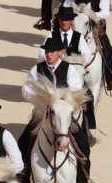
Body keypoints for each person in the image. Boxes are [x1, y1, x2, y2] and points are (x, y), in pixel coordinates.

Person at [18, 38, 100, 183]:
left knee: (82, 142)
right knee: (22, 141)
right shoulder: (36, 69)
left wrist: (60, 97)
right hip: (41, 113)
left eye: (52, 52)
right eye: (47, 51)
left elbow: (76, 89)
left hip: (63, 114)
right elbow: (26, 89)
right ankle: (24, 176)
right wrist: (39, 96)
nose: (48, 54)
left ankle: (84, 181)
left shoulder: (69, 69)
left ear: (60, 53)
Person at [39, 6, 97, 140]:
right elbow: (41, 55)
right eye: (61, 20)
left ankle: (91, 129)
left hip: (75, 76)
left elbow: (87, 55)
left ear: (71, 20)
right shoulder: (51, 35)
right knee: (41, 105)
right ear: (58, 21)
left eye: (66, 19)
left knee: (88, 98)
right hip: (56, 78)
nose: (63, 22)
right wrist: (58, 61)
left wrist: (75, 63)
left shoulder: (78, 37)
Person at [63, 0, 112, 90]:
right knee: (56, 43)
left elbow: (105, 13)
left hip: (94, 25)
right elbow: (65, 5)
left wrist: (90, 14)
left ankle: (111, 79)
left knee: (108, 48)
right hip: (75, 23)